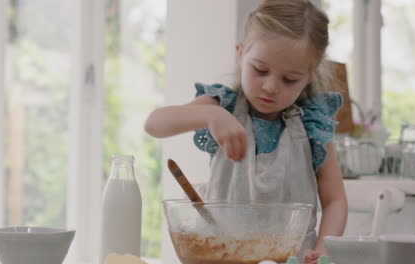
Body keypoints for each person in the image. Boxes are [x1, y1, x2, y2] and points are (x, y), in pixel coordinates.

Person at [144, 0, 348, 263]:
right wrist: (210, 114)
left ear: (308, 76)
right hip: (223, 256)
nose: (271, 86)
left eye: (290, 79)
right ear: (240, 54)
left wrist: (323, 251)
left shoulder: (313, 122)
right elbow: (154, 123)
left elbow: (335, 201)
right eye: (260, 70)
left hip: (291, 259)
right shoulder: (223, 105)